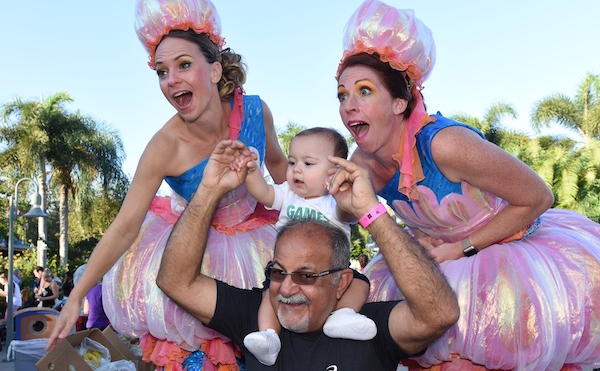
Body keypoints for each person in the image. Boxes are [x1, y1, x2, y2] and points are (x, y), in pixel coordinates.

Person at [335, 0, 600, 370]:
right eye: (342, 95)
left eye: (364, 91)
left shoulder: (446, 144)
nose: (348, 105)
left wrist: (462, 248)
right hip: (440, 266)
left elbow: (539, 197)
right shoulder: (362, 160)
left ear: (399, 103)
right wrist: (348, 198)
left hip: (509, 256)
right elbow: (347, 216)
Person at [46, 0, 287, 370]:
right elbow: (125, 227)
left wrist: (320, 196)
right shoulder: (164, 146)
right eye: (162, 71)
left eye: (184, 65)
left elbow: (281, 171)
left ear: (215, 70)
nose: (171, 79)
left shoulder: (257, 112)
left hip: (256, 246)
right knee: (200, 356)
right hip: (190, 255)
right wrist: (76, 296)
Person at [156, 139, 459, 370]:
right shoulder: (255, 314)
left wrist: (370, 211)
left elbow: (439, 314)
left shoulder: (368, 328)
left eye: (306, 275)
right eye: (278, 272)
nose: (286, 288)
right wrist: (210, 189)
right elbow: (175, 281)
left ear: (341, 282)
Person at [231, 127, 376, 365]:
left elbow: (349, 212)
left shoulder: (335, 202)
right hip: (287, 268)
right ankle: (268, 335)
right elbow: (263, 192)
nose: (296, 169)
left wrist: (347, 190)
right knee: (270, 294)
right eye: (292, 162)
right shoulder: (288, 194)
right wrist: (251, 170)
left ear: (334, 172)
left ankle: (342, 315)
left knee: (359, 284)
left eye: (308, 163)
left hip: (331, 271)